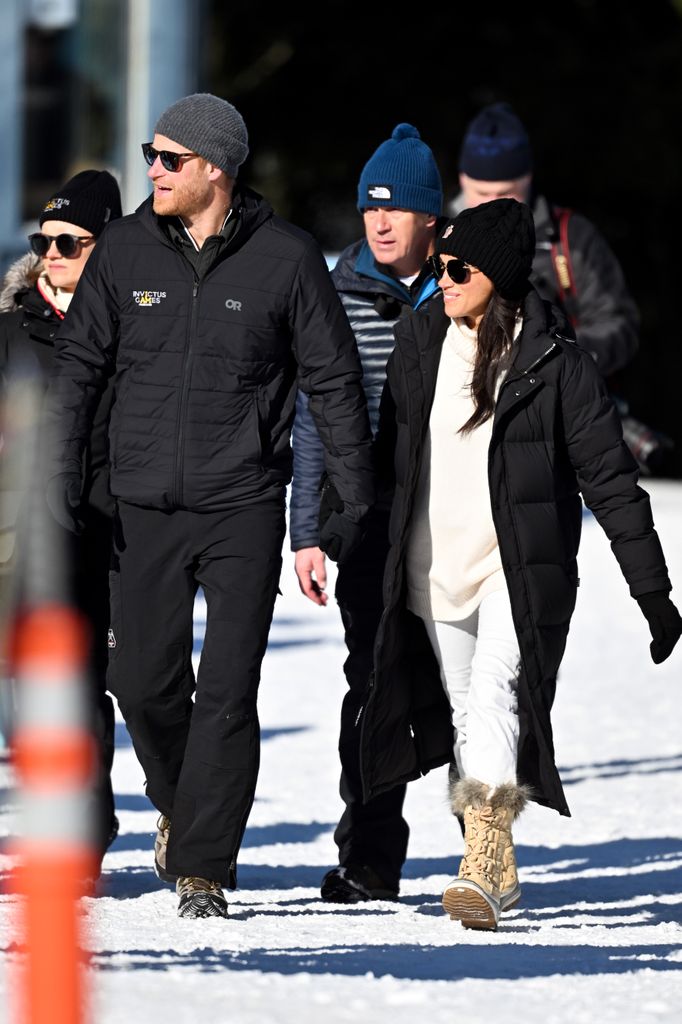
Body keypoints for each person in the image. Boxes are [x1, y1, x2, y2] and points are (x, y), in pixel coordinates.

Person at [43, 93, 374, 920]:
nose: (152, 169)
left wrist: (349, 497)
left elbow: (334, 384)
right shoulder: (121, 249)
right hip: (141, 507)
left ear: (215, 169)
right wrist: (59, 476)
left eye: (170, 158)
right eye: (152, 155)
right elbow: (79, 365)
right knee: (140, 682)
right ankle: (181, 801)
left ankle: (203, 868)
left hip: (243, 508)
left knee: (228, 691)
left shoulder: (288, 259)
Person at [359, 199, 682, 931]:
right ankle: (497, 868)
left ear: (498, 276)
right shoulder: (418, 342)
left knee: (497, 695)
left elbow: (611, 481)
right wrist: (344, 528)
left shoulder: (555, 364)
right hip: (432, 565)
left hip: (518, 566)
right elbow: (388, 460)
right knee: (466, 705)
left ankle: (481, 860)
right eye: (439, 265)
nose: (440, 278)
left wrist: (652, 590)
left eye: (456, 268)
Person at [291, 124, 443, 903]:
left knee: (460, 689)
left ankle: (487, 848)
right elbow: (314, 415)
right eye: (368, 209)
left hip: (451, 525)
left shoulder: (461, 289)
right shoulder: (335, 288)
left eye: (396, 211)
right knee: (373, 682)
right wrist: (308, 531)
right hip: (367, 518)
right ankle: (368, 858)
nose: (379, 223)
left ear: (430, 219)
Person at [0, 170, 122, 875]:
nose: (51, 252)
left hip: (112, 527)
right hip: (26, 537)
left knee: (101, 681)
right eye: (42, 240)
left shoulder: (135, 328)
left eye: (69, 242)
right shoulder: (12, 329)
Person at [449, 102, 639, 383]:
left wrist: (555, 352)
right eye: (482, 192)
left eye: (505, 192)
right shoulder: (437, 238)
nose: (494, 205)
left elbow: (619, 326)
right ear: (463, 180)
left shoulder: (570, 239)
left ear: (527, 179)